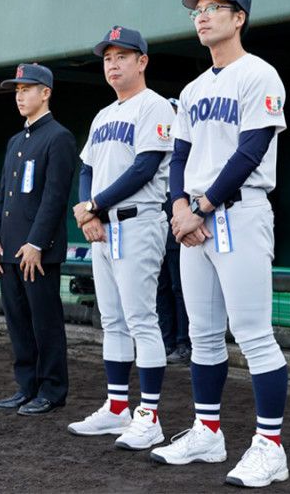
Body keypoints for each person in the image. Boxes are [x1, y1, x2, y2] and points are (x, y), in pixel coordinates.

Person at [150, 0, 289, 488]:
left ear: (239, 17)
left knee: (254, 335)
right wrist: (180, 207)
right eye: (197, 10)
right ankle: (208, 432)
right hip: (196, 223)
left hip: (240, 213)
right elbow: (181, 156)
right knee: (203, 337)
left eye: (214, 7)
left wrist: (201, 206)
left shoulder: (260, 74)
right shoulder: (191, 88)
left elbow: (250, 150)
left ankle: (271, 448)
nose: (202, 15)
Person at [68, 27, 174, 449]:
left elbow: (144, 168)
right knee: (111, 320)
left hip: (138, 221)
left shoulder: (155, 106)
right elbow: (86, 170)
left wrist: (95, 206)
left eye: (122, 57)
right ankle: (117, 409)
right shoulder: (103, 114)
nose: (112, 64)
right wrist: (87, 213)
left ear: (142, 62)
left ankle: (150, 416)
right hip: (104, 225)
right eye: (107, 58)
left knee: (141, 320)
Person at [0, 63, 76, 416]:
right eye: (17, 90)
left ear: (46, 93)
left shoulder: (59, 137)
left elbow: (55, 198)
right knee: (19, 324)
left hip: (37, 252)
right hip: (9, 249)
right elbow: (3, 195)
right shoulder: (15, 140)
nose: (20, 95)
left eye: (27, 88)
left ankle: (52, 389)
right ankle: (26, 386)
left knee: (45, 323)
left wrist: (37, 243)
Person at [157, 98, 191, 364]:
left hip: (179, 205)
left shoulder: (186, 145)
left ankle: (184, 343)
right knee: (161, 284)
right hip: (156, 208)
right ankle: (166, 341)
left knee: (179, 284)